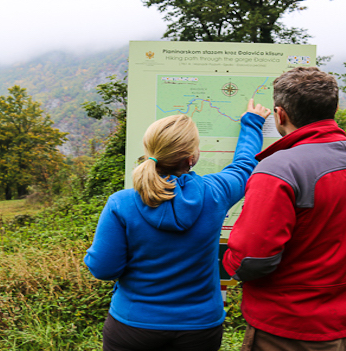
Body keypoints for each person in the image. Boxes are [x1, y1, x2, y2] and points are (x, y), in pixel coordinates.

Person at [222, 67, 346, 350]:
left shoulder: (278, 168)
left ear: (280, 114)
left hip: (284, 331)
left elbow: (252, 259)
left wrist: (226, 263)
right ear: (332, 109)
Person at [84, 99, 271, 351]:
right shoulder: (215, 194)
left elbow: (103, 268)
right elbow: (245, 165)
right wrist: (253, 122)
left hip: (133, 326)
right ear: (191, 158)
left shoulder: (122, 203)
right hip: (200, 327)